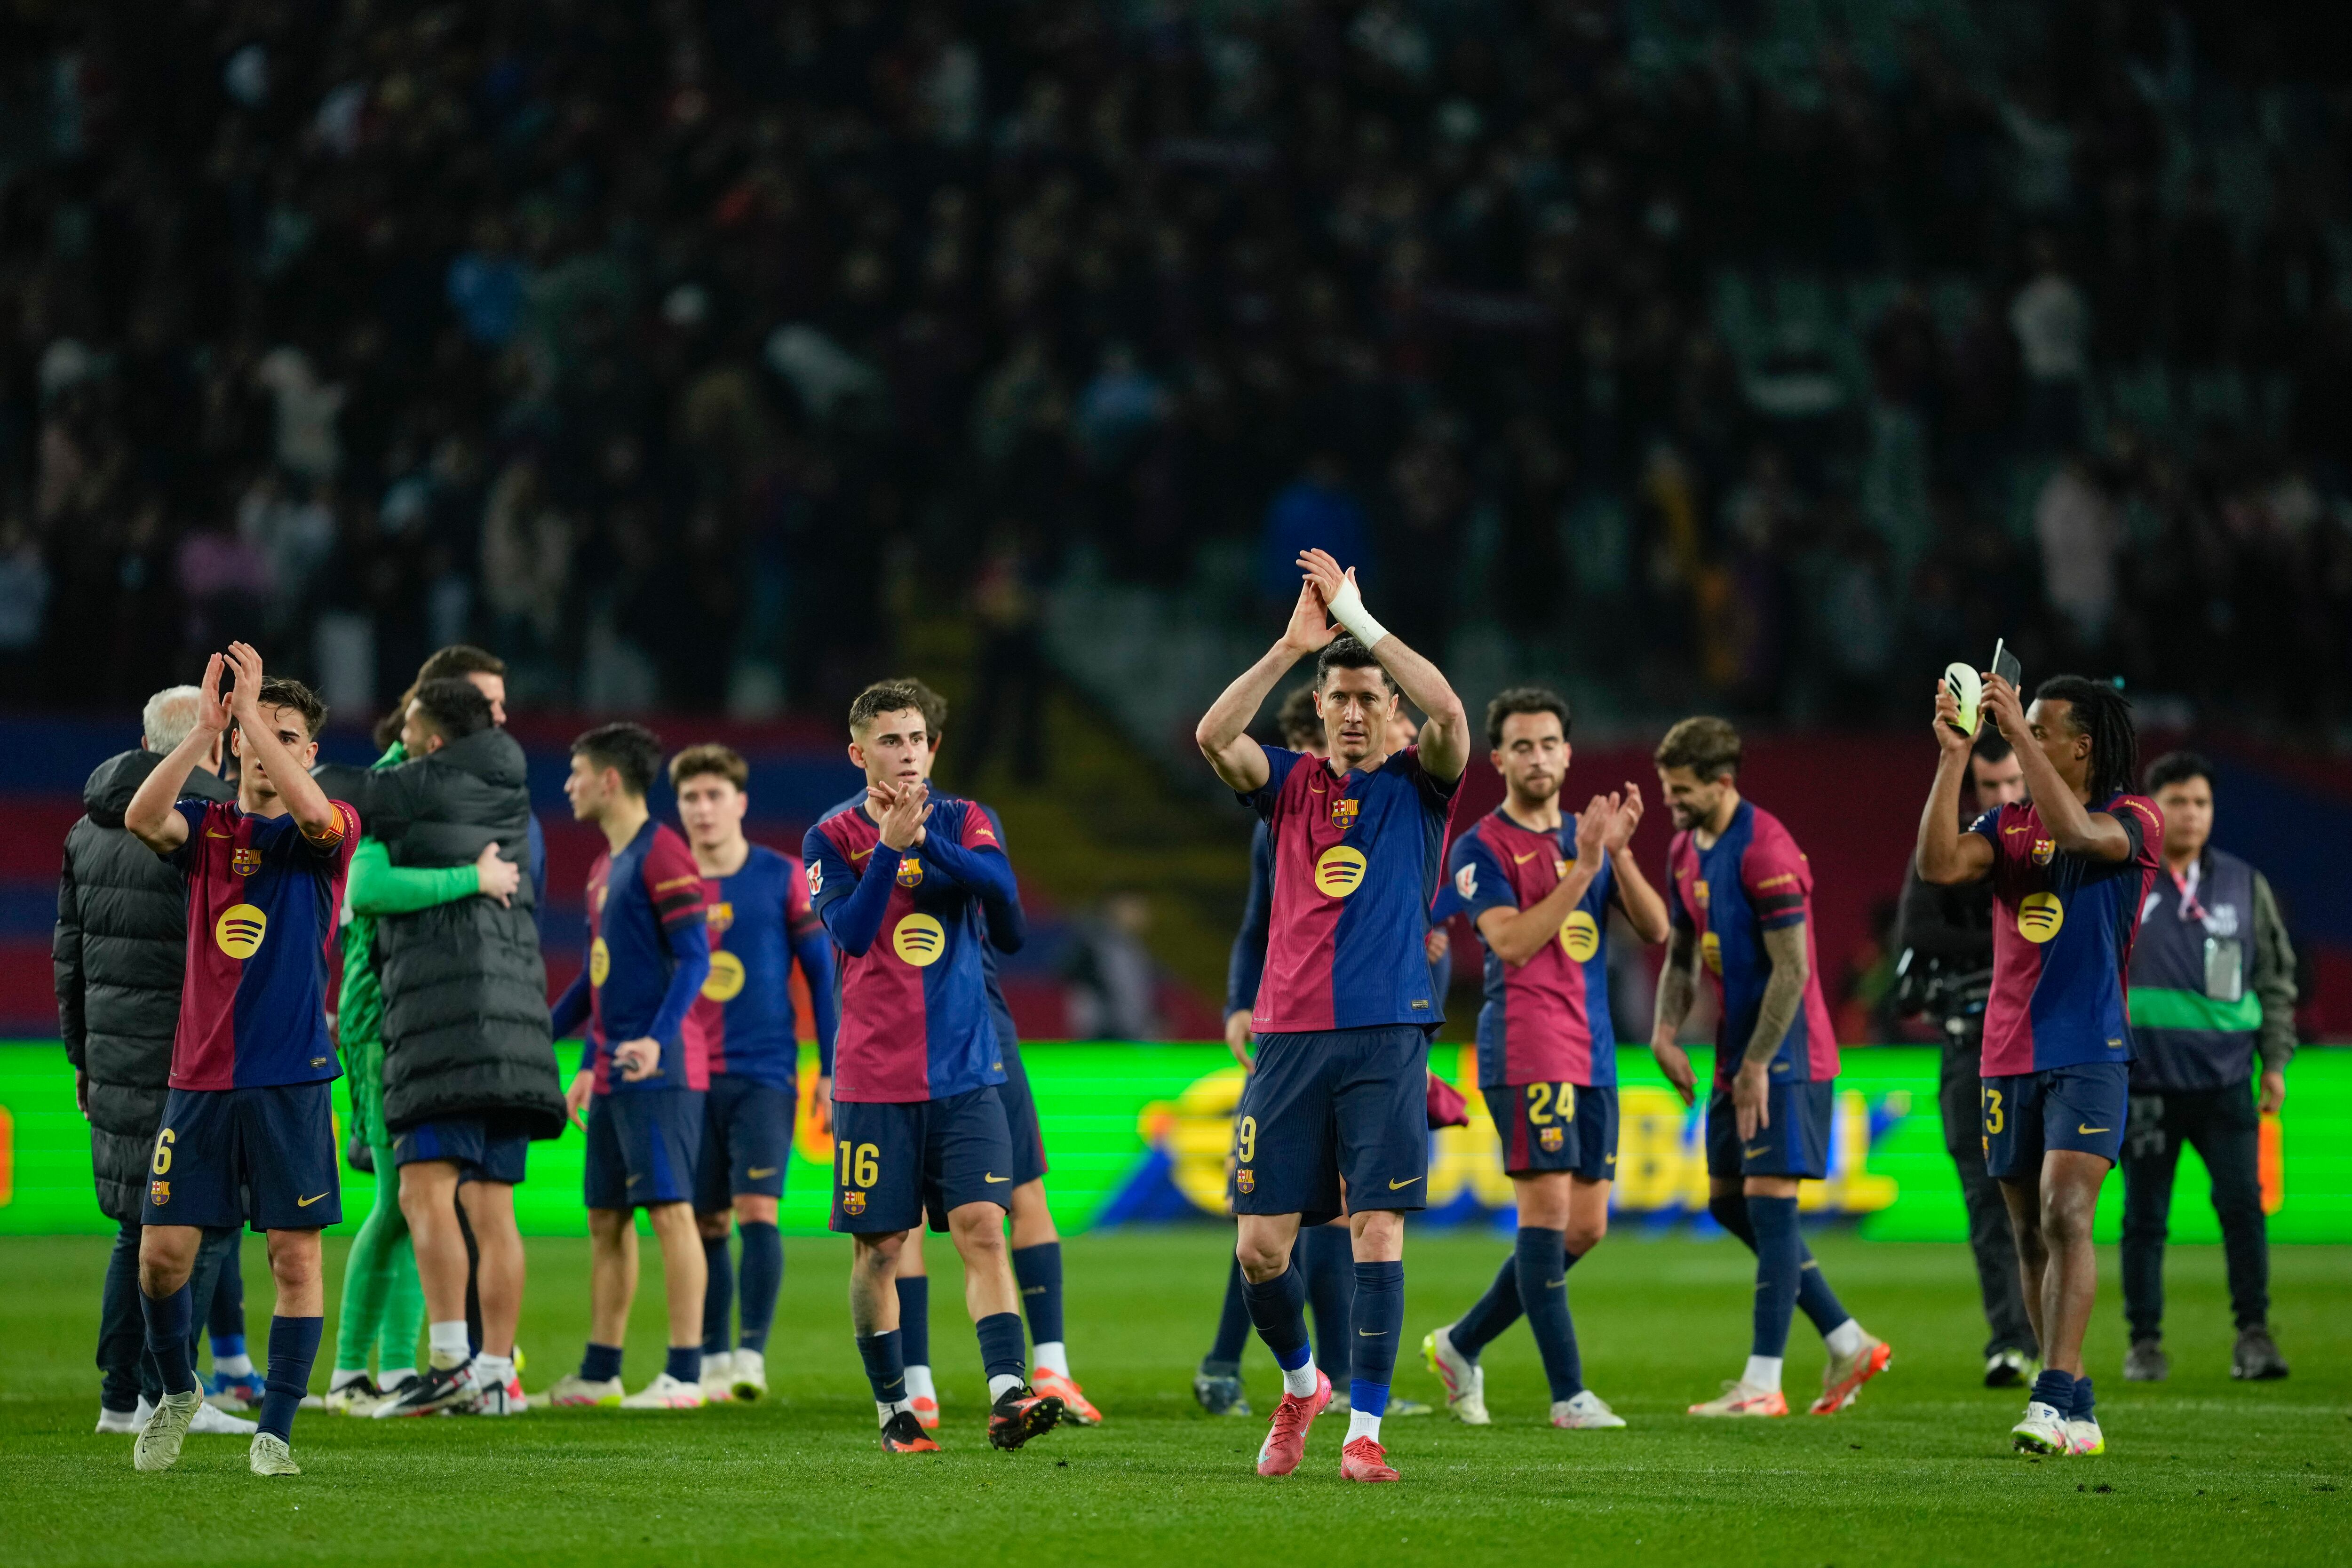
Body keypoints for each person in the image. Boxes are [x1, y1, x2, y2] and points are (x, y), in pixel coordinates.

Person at [1193, 547, 1470, 1485]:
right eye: (1339, 698)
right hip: (1287, 1039)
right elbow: (1209, 735)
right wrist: (1288, 647)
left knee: (1375, 1230)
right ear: (1319, 711)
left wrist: (1366, 624)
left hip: (1388, 1034)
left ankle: (1365, 1429)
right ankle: (1301, 1384)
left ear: (1391, 712)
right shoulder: (1288, 786)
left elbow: (1453, 715)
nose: (1354, 711)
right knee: (1260, 1247)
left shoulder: (1420, 786)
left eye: (1368, 698)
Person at [803, 680, 1064, 1455]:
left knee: (985, 1226)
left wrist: (926, 844)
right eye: (890, 740)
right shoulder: (829, 838)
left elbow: (1004, 902)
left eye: (917, 737)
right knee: (880, 1249)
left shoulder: (967, 819)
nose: (908, 751)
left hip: (966, 1072)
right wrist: (888, 847)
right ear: (859, 753)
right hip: (875, 1080)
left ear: (933, 745)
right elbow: (849, 932)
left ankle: (1008, 1392)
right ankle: (895, 1409)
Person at [120, 646, 358, 1476]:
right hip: (200, 1080)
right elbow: (141, 818)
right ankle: (178, 1389)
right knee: (161, 1256)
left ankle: (277, 1429)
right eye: (261, 736)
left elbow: (320, 820)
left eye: (290, 736)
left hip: (291, 1077)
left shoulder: (326, 832)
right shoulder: (211, 829)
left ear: (309, 752)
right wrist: (209, 733)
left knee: (294, 1259)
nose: (271, 749)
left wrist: (254, 718)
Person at [1916, 672, 2161, 1457]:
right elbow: (1939, 866)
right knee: (2028, 1235)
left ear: (2080, 746)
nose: (2024, 738)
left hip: (2089, 1046)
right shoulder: (2007, 822)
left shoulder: (2134, 818)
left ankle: (2050, 1396)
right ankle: (2079, 1402)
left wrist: (2014, 730)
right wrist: (1954, 756)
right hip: (2005, 1049)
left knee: (2065, 1212)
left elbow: (2085, 840)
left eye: (2043, 731)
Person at [314, 677, 564, 1419]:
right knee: (489, 1207)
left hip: (439, 1022)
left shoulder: (415, 788)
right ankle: (491, 1374)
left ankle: (443, 1361)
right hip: (515, 1022)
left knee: (419, 1193)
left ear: (429, 735)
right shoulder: (510, 789)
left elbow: (336, 795)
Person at [1424, 687, 1671, 1429]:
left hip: (1595, 1051)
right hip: (1528, 1048)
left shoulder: (1585, 837)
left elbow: (1656, 929)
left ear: (1568, 752)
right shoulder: (1482, 847)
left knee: (1586, 1227)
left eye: (1549, 743)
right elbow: (1510, 941)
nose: (1537, 757)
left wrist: (1616, 856)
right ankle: (1569, 1394)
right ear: (1497, 758)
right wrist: (1582, 866)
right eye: (1522, 746)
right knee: (1546, 1212)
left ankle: (1462, 1344)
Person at [1649, 716, 1891, 1420]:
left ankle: (1762, 1381)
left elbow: (1794, 969)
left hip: (1786, 1052)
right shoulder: (1683, 851)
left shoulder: (1767, 849)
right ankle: (1847, 1340)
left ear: (1723, 784)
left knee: (1769, 1201)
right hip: (1736, 1053)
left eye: (1684, 791)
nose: (1673, 803)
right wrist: (1666, 1032)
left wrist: (1758, 1063)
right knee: (1729, 1201)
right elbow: (1683, 954)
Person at [55, 684, 256, 1440]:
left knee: (136, 1226)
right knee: (199, 1222)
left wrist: (83, 1058)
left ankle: (120, 1400)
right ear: (204, 743)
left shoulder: (85, 828)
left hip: (114, 1058)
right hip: (190, 1060)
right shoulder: (205, 828)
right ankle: (168, 1390)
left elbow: (67, 956)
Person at [541, 723, 714, 1411]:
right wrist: (561, 1048)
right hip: (614, 1068)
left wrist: (656, 1040)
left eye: (577, 772)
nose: (568, 785)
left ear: (610, 780)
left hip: (660, 1068)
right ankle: (602, 1367)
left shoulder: (663, 852)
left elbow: (696, 955)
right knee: (606, 1218)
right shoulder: (605, 865)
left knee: (671, 1212)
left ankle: (685, 1373)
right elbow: (600, 977)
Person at [1199, 686, 1359, 1420]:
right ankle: (1241, 1365)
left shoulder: (1384, 808)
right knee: (1276, 1221)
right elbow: (1257, 923)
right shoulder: (1285, 812)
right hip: (1295, 1031)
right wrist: (1240, 999)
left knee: (1321, 1218)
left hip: (1366, 1029)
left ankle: (1309, 1372)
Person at [669, 743, 839, 1405]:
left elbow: (821, 974)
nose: (704, 808)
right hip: (688, 1075)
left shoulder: (780, 875)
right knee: (706, 1221)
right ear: (679, 806)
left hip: (766, 1071)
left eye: (715, 796)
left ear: (740, 802)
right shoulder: (671, 881)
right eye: (691, 797)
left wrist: (828, 1066)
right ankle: (711, 1355)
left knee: (757, 1209)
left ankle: (750, 1353)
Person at [2120, 752, 2295, 1383]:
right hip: (2145, 1082)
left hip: (2226, 1082)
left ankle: (2254, 1335)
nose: (2190, 812)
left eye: (2201, 802)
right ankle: (2144, 1343)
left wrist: (2274, 1061)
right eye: (2177, 800)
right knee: (2144, 1219)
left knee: (2244, 1209)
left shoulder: (2246, 885)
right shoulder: (2125, 878)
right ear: (2152, 809)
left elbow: (2275, 979)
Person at [1893, 730, 2040, 1386]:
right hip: (1969, 1049)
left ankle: (2053, 1341)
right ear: (1972, 791)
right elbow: (1917, 932)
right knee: (1987, 1203)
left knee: (2054, 1205)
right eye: (1991, 788)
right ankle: (2011, 1339)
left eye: (2014, 785)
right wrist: (2008, 929)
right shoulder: (1951, 851)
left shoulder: (2050, 844)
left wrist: (1972, 943)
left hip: (2042, 1048)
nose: (2005, 797)